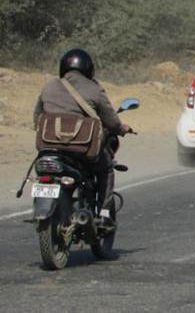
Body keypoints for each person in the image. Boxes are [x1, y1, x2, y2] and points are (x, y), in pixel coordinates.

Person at [33, 48, 132, 223]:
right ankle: (103, 214)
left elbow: (37, 116)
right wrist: (122, 129)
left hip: (49, 147)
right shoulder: (94, 89)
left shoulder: (49, 86)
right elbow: (111, 121)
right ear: (88, 68)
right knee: (106, 168)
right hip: (82, 149)